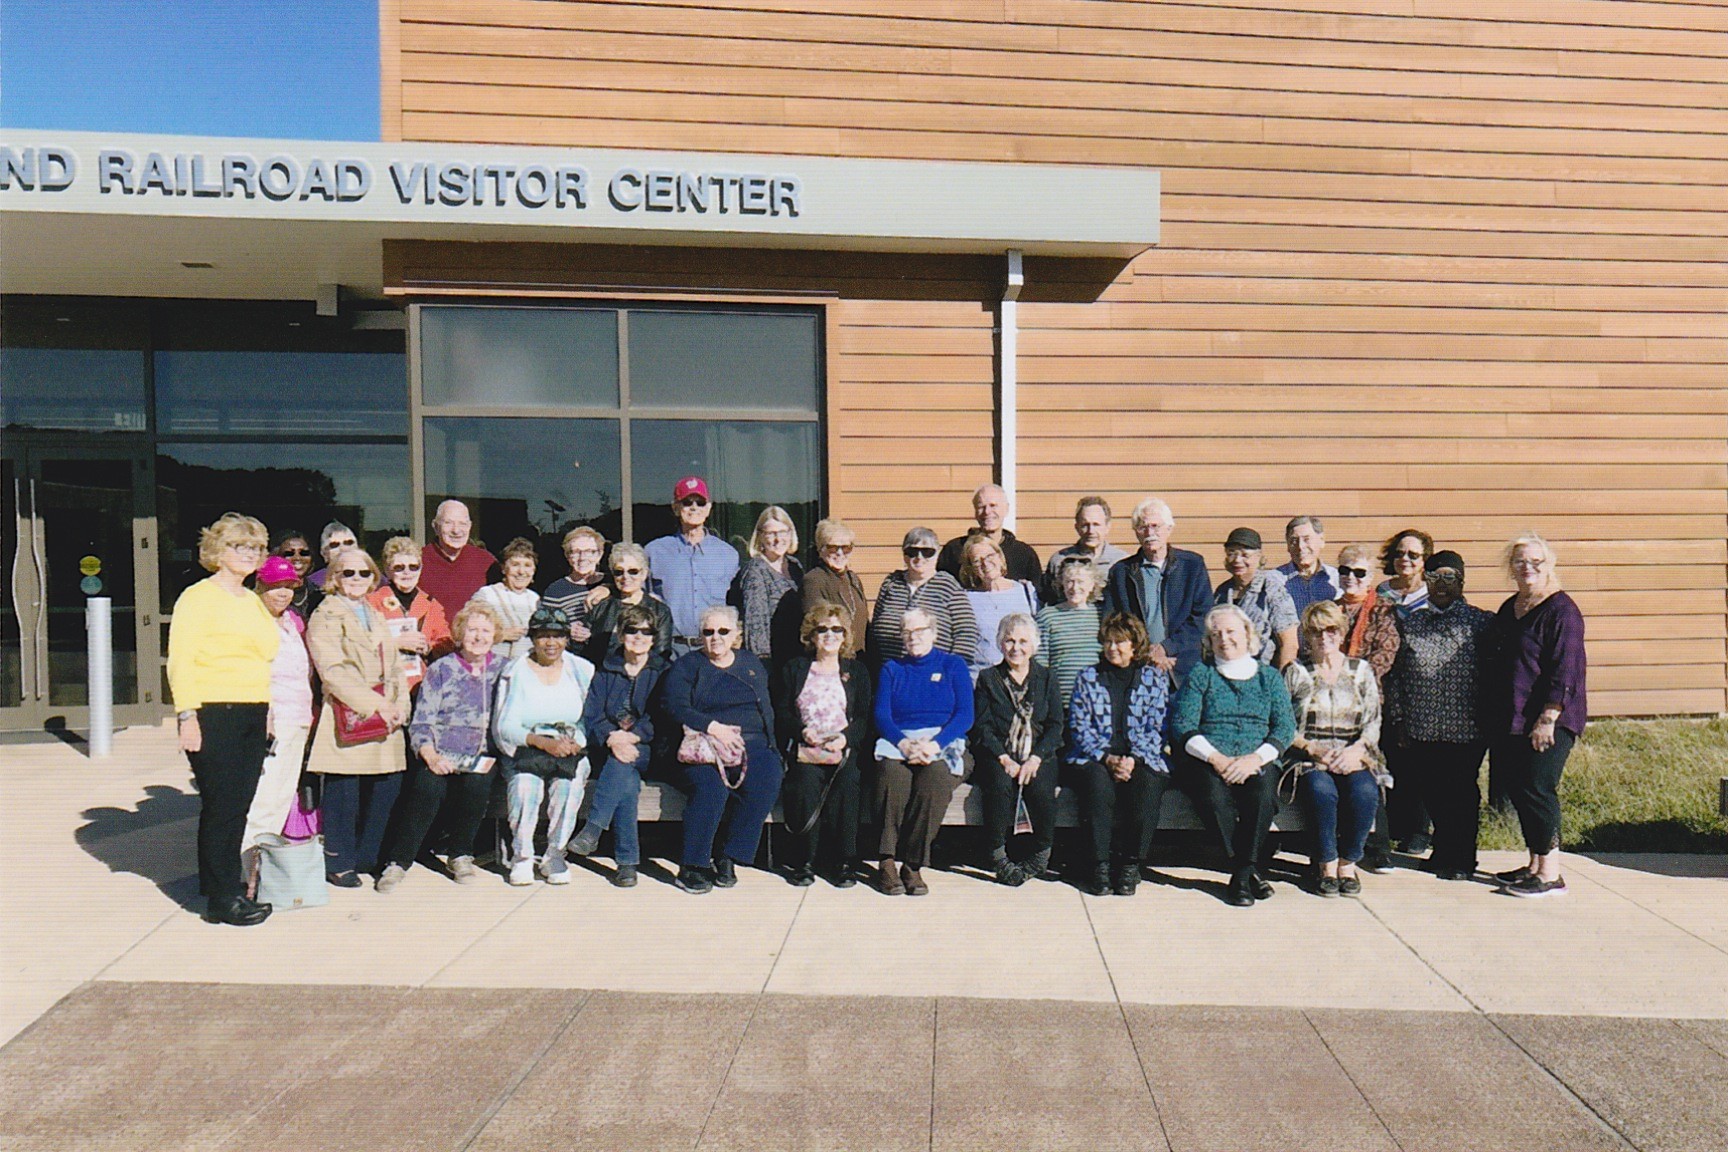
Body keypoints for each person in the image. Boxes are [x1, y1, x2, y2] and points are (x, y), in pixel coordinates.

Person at [167, 512, 280, 926]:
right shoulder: (197, 597)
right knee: (222, 808)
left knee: (238, 808)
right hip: (213, 713)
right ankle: (221, 899)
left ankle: (225, 888)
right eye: (239, 546)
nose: (249, 554)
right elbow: (181, 661)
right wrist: (187, 716)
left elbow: (260, 662)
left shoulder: (252, 600)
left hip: (252, 711)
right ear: (218, 550)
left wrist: (266, 714)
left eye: (256, 547)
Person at [1171, 604, 1296, 908]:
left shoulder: (1268, 677)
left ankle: (1241, 874)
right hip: (1209, 759)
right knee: (1213, 797)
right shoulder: (1202, 674)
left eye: (1231, 632)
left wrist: (1255, 759)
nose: (1224, 639)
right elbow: (1183, 724)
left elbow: (1285, 726)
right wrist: (1217, 759)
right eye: (1216, 634)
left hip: (1257, 759)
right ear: (1209, 642)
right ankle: (1247, 872)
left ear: (1247, 634)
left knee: (1263, 796)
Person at [374, 603, 504, 892]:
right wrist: (430, 754)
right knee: (427, 787)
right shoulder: (441, 669)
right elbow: (422, 720)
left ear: (495, 635)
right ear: (459, 633)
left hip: (482, 753)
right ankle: (398, 861)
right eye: (472, 630)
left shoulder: (504, 670)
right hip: (441, 751)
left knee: (477, 785)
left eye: (486, 630)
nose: (479, 636)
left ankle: (460, 855)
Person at [659, 605, 785, 894]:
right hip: (702, 747)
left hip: (750, 744)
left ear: (736, 634)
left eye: (723, 631)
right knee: (711, 789)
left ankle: (727, 853)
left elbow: (766, 709)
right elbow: (673, 705)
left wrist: (773, 746)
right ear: (701, 636)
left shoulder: (751, 664)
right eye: (709, 632)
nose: (716, 637)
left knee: (767, 777)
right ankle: (692, 865)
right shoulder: (688, 666)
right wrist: (712, 726)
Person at [1383, 550, 1493, 879]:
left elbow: (1492, 674)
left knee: (1460, 793)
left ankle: (1462, 858)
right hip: (1422, 726)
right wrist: (1400, 719)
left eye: (1449, 577)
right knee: (1432, 791)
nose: (1441, 584)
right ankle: (1442, 850)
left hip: (1465, 728)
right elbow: (1396, 676)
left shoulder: (1481, 622)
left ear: (1461, 580)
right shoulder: (1410, 623)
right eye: (1434, 577)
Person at [305, 546, 410, 889]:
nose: (356, 579)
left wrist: (399, 704)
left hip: (387, 712)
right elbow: (332, 671)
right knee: (344, 793)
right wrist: (377, 705)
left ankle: (368, 856)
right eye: (347, 573)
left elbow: (394, 665)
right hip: (350, 711)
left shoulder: (374, 611)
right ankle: (339, 861)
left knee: (386, 787)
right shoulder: (326, 614)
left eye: (364, 573)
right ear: (334, 577)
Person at [1490, 534, 1587, 899]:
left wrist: (1548, 717)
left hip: (1550, 719)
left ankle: (1550, 873)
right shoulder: (1511, 607)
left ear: (1550, 565)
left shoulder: (1562, 611)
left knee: (1537, 788)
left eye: (1536, 562)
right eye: (1519, 561)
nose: (1527, 568)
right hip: (1514, 717)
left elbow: (1567, 669)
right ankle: (1534, 863)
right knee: (1520, 788)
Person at [1063, 612, 1174, 897]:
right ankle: (1098, 866)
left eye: (1120, 642)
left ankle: (1129, 865)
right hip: (1094, 756)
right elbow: (1079, 726)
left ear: (1134, 645)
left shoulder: (1153, 678)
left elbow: (1158, 727)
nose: (1112, 647)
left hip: (1141, 755)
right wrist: (1107, 758)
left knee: (1148, 784)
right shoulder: (1088, 677)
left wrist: (1133, 760)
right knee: (1098, 785)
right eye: (1108, 642)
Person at [1284, 601, 1385, 897]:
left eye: (1330, 630)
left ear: (1341, 633)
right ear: (1307, 636)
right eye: (1315, 632)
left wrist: (1356, 751)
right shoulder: (1296, 672)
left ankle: (1348, 863)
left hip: (1354, 754)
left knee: (1365, 792)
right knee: (1321, 791)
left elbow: (1373, 721)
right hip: (1309, 757)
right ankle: (1326, 864)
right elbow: (1283, 724)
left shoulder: (1360, 670)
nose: (1323, 637)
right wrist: (1312, 749)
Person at [872, 608, 974, 896]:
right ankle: (887, 861)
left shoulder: (953, 665)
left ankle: (913, 865)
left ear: (934, 632)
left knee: (936, 778)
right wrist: (904, 744)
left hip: (941, 741)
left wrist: (934, 745)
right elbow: (882, 715)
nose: (913, 637)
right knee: (891, 776)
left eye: (919, 631)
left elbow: (965, 715)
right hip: (900, 740)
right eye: (907, 632)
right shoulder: (892, 668)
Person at [492, 606, 597, 887]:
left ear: (567, 639)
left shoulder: (581, 670)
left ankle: (554, 854)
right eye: (543, 636)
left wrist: (575, 743)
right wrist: (542, 743)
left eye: (558, 636)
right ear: (533, 638)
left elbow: (589, 718)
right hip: (527, 745)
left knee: (569, 786)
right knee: (526, 787)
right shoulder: (514, 671)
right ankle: (523, 856)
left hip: (568, 746)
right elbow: (505, 725)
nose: (551, 643)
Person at [570, 603, 671, 888]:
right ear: (620, 633)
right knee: (624, 778)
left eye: (646, 631)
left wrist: (634, 735)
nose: (638, 637)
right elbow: (593, 714)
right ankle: (627, 865)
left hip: (649, 749)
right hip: (611, 748)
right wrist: (612, 738)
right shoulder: (606, 669)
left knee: (622, 764)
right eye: (631, 630)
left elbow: (663, 717)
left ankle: (593, 829)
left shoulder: (663, 671)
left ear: (654, 637)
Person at [774, 603, 873, 888]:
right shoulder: (795, 668)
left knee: (848, 782)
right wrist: (803, 731)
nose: (830, 635)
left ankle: (844, 862)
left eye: (837, 629)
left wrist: (847, 738)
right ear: (812, 635)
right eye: (823, 629)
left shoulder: (857, 671)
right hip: (807, 747)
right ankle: (803, 861)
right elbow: (782, 711)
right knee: (804, 784)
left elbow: (865, 716)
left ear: (845, 636)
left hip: (843, 749)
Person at [971, 613, 1065, 887]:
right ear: (1000, 644)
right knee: (1000, 786)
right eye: (1009, 641)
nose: (1016, 648)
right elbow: (982, 726)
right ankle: (998, 856)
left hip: (1039, 754)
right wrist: (1004, 758)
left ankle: (1040, 856)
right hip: (998, 754)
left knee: (1041, 787)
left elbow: (1056, 725)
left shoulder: (1046, 678)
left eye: (1023, 641)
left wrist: (1035, 759)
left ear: (1033, 645)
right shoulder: (989, 678)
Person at [241, 557, 316, 856]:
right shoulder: (251, 620)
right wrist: (264, 716)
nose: (283, 593)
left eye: (289, 586)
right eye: (275, 586)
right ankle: (247, 868)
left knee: (282, 797)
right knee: (264, 797)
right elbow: (251, 672)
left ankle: (266, 868)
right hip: (272, 721)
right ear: (260, 585)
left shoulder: (291, 621)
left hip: (298, 718)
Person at [1337, 542, 1403, 874]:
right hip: (1331, 704)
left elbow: (1383, 656)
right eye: (1345, 571)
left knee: (1371, 768)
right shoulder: (1331, 609)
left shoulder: (1383, 611)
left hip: (1368, 701)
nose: (1351, 577)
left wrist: (1346, 682)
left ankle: (1378, 847)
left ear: (1370, 577)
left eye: (1359, 572)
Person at [1102, 497, 1212, 683]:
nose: (1149, 532)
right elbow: (1114, 621)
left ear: (1169, 529)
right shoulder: (1121, 573)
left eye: (1156, 526)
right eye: (1142, 527)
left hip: (1184, 667)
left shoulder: (1192, 566)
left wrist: (1166, 648)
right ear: (1136, 533)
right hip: (1138, 667)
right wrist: (1146, 652)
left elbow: (1203, 616)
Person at [644, 476, 740, 655]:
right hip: (669, 649)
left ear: (709, 508)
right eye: (687, 502)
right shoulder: (654, 552)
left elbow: (735, 604)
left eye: (700, 502)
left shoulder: (728, 555)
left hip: (714, 649)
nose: (694, 507)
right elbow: (635, 595)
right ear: (675, 507)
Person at [867, 526, 979, 664]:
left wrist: (951, 671)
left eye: (927, 552)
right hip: (892, 673)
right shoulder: (891, 583)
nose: (919, 557)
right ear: (904, 555)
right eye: (912, 551)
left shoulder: (947, 585)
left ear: (937, 554)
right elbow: (874, 630)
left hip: (935, 675)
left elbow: (966, 632)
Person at [369, 535, 453, 695]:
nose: (407, 573)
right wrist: (394, 643)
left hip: (422, 688)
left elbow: (446, 644)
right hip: (384, 686)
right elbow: (360, 644)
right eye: (399, 568)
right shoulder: (373, 602)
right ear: (387, 570)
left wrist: (428, 648)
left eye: (413, 567)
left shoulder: (431, 605)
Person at [1213, 527, 1299, 669]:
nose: (1237, 560)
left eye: (1245, 555)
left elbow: (1289, 644)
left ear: (1259, 556)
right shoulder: (1222, 592)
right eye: (1231, 553)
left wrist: (1279, 684)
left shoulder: (1272, 591)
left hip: (1262, 677)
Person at [959, 535, 1040, 681]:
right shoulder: (965, 599)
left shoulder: (1026, 591)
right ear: (971, 568)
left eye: (990, 556)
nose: (986, 563)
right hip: (981, 684)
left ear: (1000, 557)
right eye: (977, 561)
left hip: (1021, 681)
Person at [583, 541, 674, 666]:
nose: (625, 577)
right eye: (619, 572)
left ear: (644, 574)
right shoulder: (600, 606)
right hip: (602, 678)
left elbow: (661, 654)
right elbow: (584, 649)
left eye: (633, 571)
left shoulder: (659, 611)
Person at [735, 505, 804, 666]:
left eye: (782, 532)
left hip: (797, 658)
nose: (778, 539)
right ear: (760, 536)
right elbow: (755, 626)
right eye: (771, 533)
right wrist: (763, 666)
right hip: (772, 660)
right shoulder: (756, 570)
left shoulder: (795, 567)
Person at [937, 483, 1042, 585]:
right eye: (981, 506)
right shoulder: (955, 550)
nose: (987, 512)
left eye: (993, 505)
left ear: (1006, 509)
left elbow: (1036, 596)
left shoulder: (1023, 554)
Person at [1036, 555, 1105, 708]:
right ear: (1062, 584)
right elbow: (1040, 662)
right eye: (1069, 581)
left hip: (1098, 702)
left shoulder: (1102, 615)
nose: (1074, 588)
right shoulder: (1048, 616)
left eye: (1080, 582)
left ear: (1092, 585)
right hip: (1061, 703)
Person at [800, 517, 868, 659]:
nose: (840, 553)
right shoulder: (814, 580)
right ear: (820, 549)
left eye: (846, 548)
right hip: (832, 662)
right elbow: (817, 630)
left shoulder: (853, 579)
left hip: (859, 662)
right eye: (832, 548)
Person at [1042, 495, 1129, 603]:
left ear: (1107, 527)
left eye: (1096, 524)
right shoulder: (1059, 560)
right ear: (1077, 527)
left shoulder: (1121, 561)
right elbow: (1049, 600)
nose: (1090, 531)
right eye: (1085, 525)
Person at [419, 499, 497, 614]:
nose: (456, 530)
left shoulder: (485, 561)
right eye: (448, 523)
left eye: (462, 524)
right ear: (435, 527)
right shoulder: (417, 562)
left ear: (470, 526)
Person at [472, 537, 540, 661]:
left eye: (527, 565)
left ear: (533, 570)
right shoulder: (487, 595)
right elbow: (467, 632)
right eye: (515, 565)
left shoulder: (535, 599)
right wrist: (500, 635)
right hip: (492, 665)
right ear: (503, 568)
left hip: (527, 668)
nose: (521, 571)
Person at [539, 526, 608, 650]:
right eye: (576, 552)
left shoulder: (612, 583)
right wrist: (566, 629)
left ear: (599, 555)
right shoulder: (556, 591)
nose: (582, 558)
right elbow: (544, 629)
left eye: (589, 551)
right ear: (567, 556)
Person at [1277, 516, 1340, 616]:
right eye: (1294, 541)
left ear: (1322, 540)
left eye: (1306, 539)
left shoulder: (1336, 578)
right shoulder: (1275, 580)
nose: (1300, 546)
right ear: (1288, 545)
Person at [1377, 529, 1434, 617]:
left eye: (1413, 555)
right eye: (1399, 554)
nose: (1404, 559)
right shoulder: (1383, 590)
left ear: (1425, 560)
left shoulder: (1432, 594)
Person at [271, 528, 318, 619]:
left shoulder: (318, 593)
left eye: (304, 553)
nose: (297, 558)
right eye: (289, 553)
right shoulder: (268, 595)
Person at [308, 521, 358, 595]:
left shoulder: (375, 578)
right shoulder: (311, 583)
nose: (343, 548)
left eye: (348, 543)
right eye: (334, 545)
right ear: (324, 554)